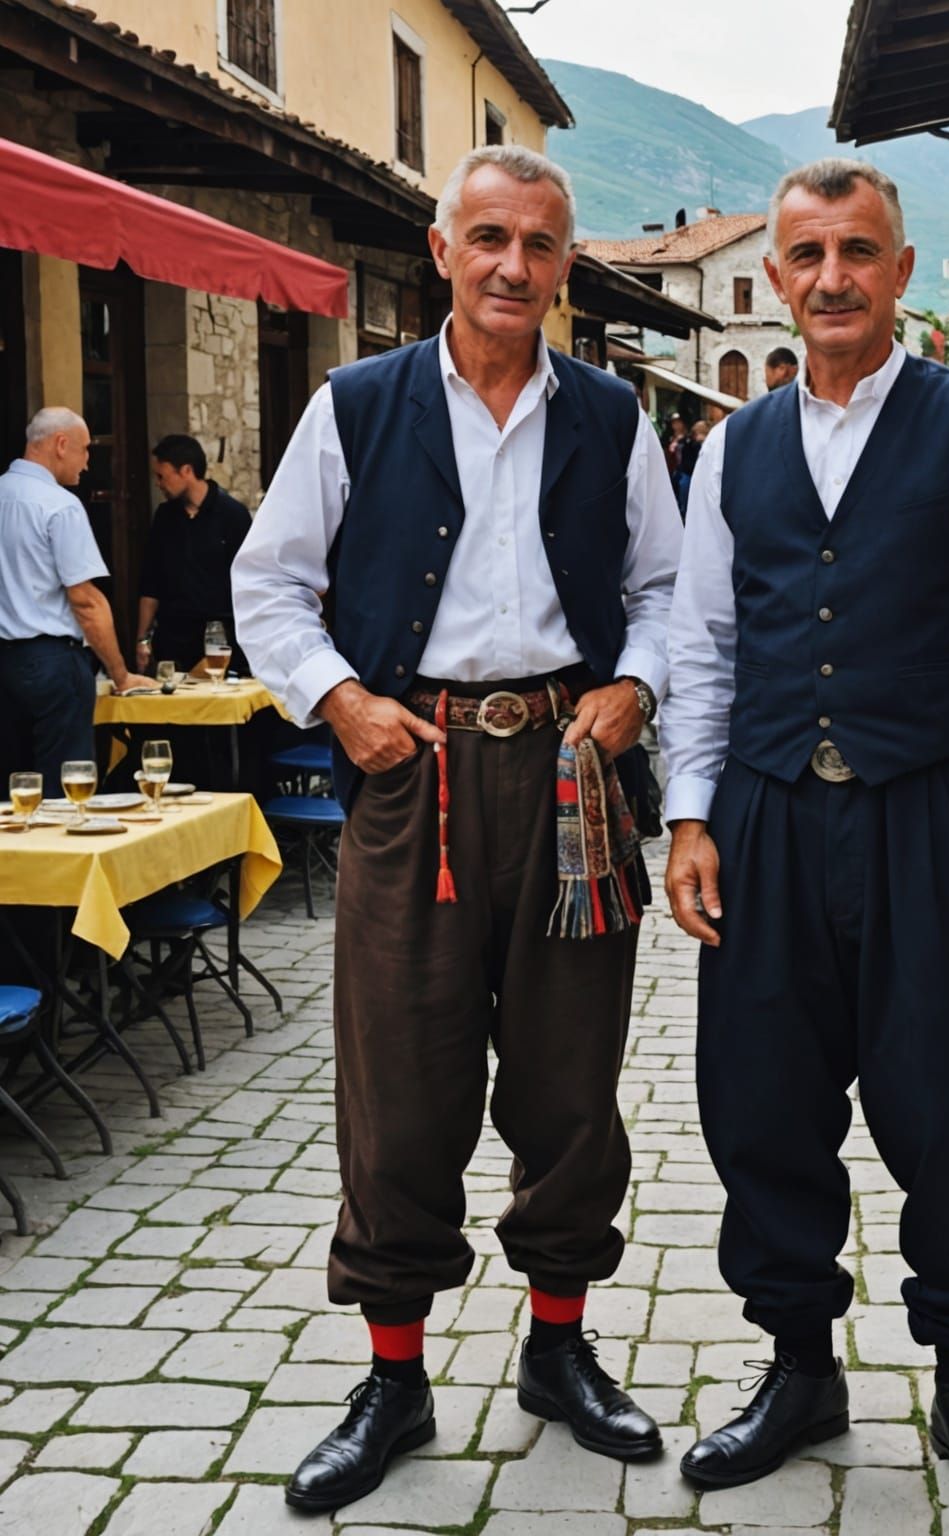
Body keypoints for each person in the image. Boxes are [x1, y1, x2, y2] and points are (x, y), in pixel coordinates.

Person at [232, 143, 681, 1514]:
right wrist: (344, 704)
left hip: (571, 778)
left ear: (562, 263)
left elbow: (669, 592)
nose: (513, 266)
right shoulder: (357, 406)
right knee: (401, 1090)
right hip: (408, 781)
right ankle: (394, 1378)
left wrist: (631, 684)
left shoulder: (608, 419)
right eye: (488, 237)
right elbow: (272, 589)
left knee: (566, 1081)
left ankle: (558, 1353)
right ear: (442, 251)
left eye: (539, 244)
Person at [661, 160, 949, 1519]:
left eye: (858, 251)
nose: (831, 277)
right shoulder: (734, 446)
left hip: (935, 811)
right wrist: (689, 813)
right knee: (761, 1097)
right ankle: (799, 1367)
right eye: (806, 254)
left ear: (900, 273)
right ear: (777, 278)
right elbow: (705, 647)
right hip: (771, 811)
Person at [0, 409, 154, 795]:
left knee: (10, 789)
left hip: (5, 661)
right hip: (52, 663)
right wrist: (120, 674)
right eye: (85, 450)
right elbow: (85, 600)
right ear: (61, 444)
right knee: (64, 789)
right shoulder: (59, 504)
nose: (88, 462)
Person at [136, 434, 251, 673]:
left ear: (186, 471)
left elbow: (249, 581)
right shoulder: (164, 517)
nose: (158, 483)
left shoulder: (233, 515)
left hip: (220, 640)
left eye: (162, 476)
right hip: (173, 639)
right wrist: (142, 640)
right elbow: (151, 583)